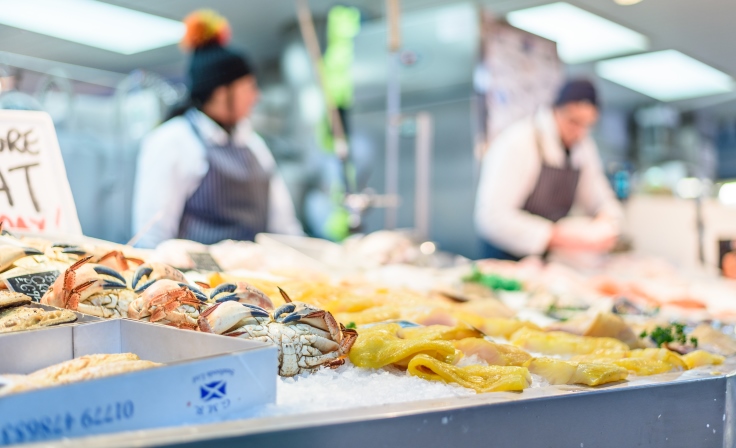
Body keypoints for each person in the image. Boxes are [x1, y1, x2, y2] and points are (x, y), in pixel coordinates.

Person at [132, 10, 303, 248]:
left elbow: (285, 228)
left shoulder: (254, 144)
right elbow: (151, 237)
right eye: (250, 87)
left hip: (252, 281)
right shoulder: (173, 139)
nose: (257, 96)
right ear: (221, 92)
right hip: (193, 283)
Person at [474, 80, 623, 261]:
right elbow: (492, 218)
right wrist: (558, 236)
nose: (579, 132)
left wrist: (605, 224)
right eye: (573, 122)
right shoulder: (519, 142)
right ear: (555, 110)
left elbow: (601, 200)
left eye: (587, 124)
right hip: (506, 259)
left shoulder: (583, 146)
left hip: (546, 261)